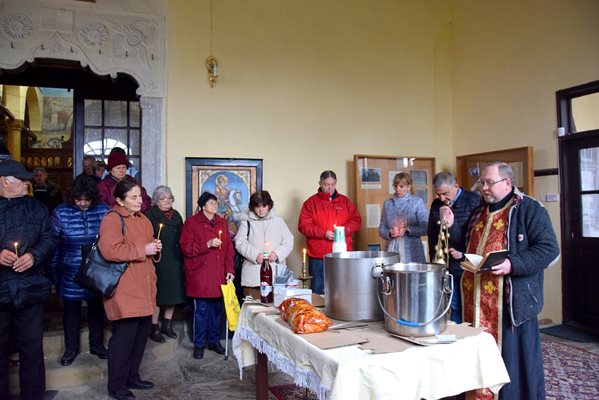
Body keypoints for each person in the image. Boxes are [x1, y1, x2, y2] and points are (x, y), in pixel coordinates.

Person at [443, 162, 559, 400]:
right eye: (482, 182)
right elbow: (465, 245)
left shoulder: (529, 209)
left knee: (511, 366)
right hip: (474, 302)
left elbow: (549, 250)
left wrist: (512, 264)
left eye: (488, 182)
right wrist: (452, 225)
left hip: (509, 305)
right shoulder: (479, 210)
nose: (483, 187)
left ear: (507, 183)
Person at [98, 179, 162, 400]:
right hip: (125, 288)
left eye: (140, 196)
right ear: (119, 200)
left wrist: (154, 248)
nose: (139, 201)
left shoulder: (143, 219)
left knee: (141, 336)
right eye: (133, 197)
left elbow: (146, 249)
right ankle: (116, 386)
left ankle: (132, 376)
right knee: (123, 339)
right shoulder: (112, 219)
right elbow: (110, 251)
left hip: (144, 285)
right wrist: (143, 249)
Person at [0, 160, 58, 400]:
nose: (28, 183)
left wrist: (34, 257)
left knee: (32, 349)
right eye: (22, 180)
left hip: (30, 287)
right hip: (1, 289)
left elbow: (50, 239)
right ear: (4, 182)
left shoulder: (37, 208)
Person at [47, 175, 110, 366]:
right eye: (78, 199)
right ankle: (71, 348)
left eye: (87, 199)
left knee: (96, 309)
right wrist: (54, 275)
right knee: (71, 311)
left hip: (96, 269)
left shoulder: (103, 211)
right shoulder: (61, 213)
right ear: (72, 197)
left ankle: (97, 344)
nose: (82, 203)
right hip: (70, 271)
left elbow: (109, 241)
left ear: (93, 198)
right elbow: (54, 246)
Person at [180, 192, 234, 360]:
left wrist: (230, 270)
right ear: (203, 206)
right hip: (200, 275)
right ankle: (199, 344)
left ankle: (214, 341)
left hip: (218, 274)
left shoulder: (221, 223)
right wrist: (207, 244)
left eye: (216, 202)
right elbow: (185, 248)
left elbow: (229, 250)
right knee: (201, 311)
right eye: (211, 203)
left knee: (217, 311)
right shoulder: (191, 223)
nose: (215, 205)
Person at [427, 172, 480, 323]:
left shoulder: (474, 201)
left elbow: (477, 236)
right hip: (444, 263)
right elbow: (432, 234)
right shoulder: (437, 204)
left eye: (445, 193)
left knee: (468, 305)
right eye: (438, 194)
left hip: (467, 264)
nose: (442, 198)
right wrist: (434, 260)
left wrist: (463, 253)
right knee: (453, 304)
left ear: (456, 186)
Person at [298, 170, 362, 294]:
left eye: (332, 184)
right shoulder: (310, 203)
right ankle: (317, 314)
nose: (330, 188)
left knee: (343, 289)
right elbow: (303, 226)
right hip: (318, 255)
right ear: (320, 183)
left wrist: (343, 231)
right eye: (327, 184)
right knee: (318, 290)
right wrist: (323, 233)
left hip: (342, 254)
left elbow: (356, 220)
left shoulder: (345, 202)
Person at [144, 186, 186, 343]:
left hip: (175, 260)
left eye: (170, 198)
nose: (167, 201)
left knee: (173, 294)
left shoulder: (176, 215)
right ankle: (153, 327)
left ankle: (167, 325)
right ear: (156, 201)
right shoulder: (149, 216)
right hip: (158, 261)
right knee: (158, 296)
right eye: (163, 199)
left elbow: (182, 237)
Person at [235, 191, 294, 300]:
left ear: (269, 206)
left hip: (276, 276)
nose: (261, 209)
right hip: (253, 276)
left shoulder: (279, 221)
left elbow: (288, 241)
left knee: (276, 309)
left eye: (264, 206)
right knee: (253, 309)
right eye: (257, 206)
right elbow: (239, 242)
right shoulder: (246, 222)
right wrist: (255, 255)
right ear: (252, 207)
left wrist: (277, 254)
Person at [378, 172, 428, 262]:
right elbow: (382, 228)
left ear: (409, 187)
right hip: (391, 250)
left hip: (412, 251)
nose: (398, 189)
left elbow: (426, 227)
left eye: (401, 186)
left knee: (412, 275)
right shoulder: (388, 204)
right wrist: (390, 232)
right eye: (395, 186)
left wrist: (407, 230)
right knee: (391, 274)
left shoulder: (417, 202)